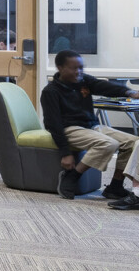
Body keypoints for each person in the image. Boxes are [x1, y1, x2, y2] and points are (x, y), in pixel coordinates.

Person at [40, 50, 138, 201]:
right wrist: (65, 153)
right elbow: (53, 124)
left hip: (91, 126)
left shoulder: (83, 81)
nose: (78, 71)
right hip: (69, 128)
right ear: (60, 68)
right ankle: (72, 176)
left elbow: (104, 87)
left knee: (134, 143)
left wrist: (128, 92)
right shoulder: (51, 91)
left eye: (81, 67)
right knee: (109, 144)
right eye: (74, 68)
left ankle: (115, 186)